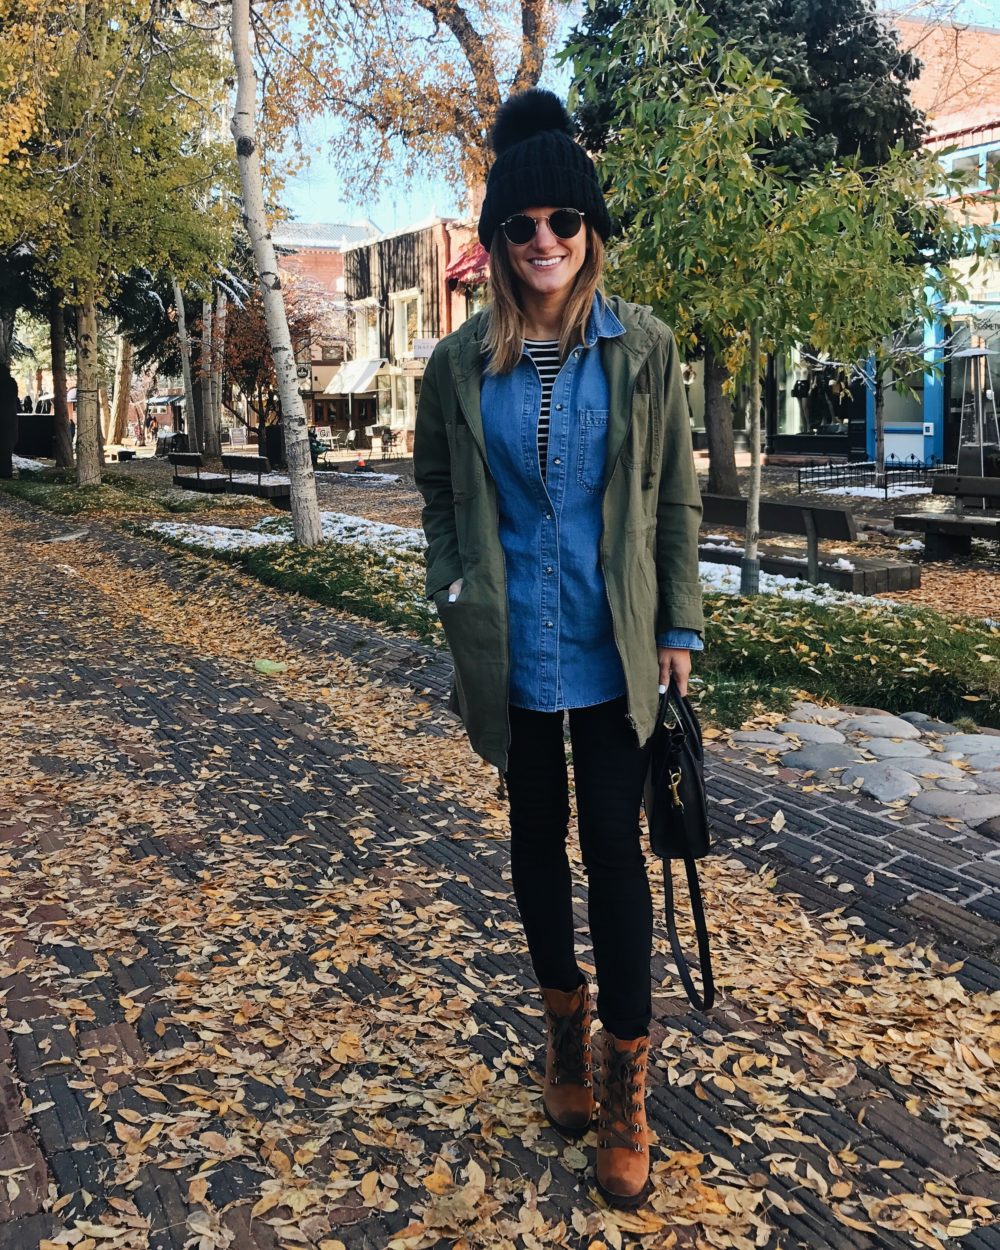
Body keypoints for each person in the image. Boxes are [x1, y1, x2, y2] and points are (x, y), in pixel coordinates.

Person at [413, 90, 704, 1210]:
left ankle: (629, 1081)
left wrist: (678, 623)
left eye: (562, 223)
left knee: (616, 855)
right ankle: (565, 1034)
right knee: (535, 841)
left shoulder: (645, 351)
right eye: (519, 225)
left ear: (590, 229)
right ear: (493, 241)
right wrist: (452, 583)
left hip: (614, 639)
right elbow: (437, 489)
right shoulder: (455, 367)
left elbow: (673, 498)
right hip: (511, 645)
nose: (543, 243)